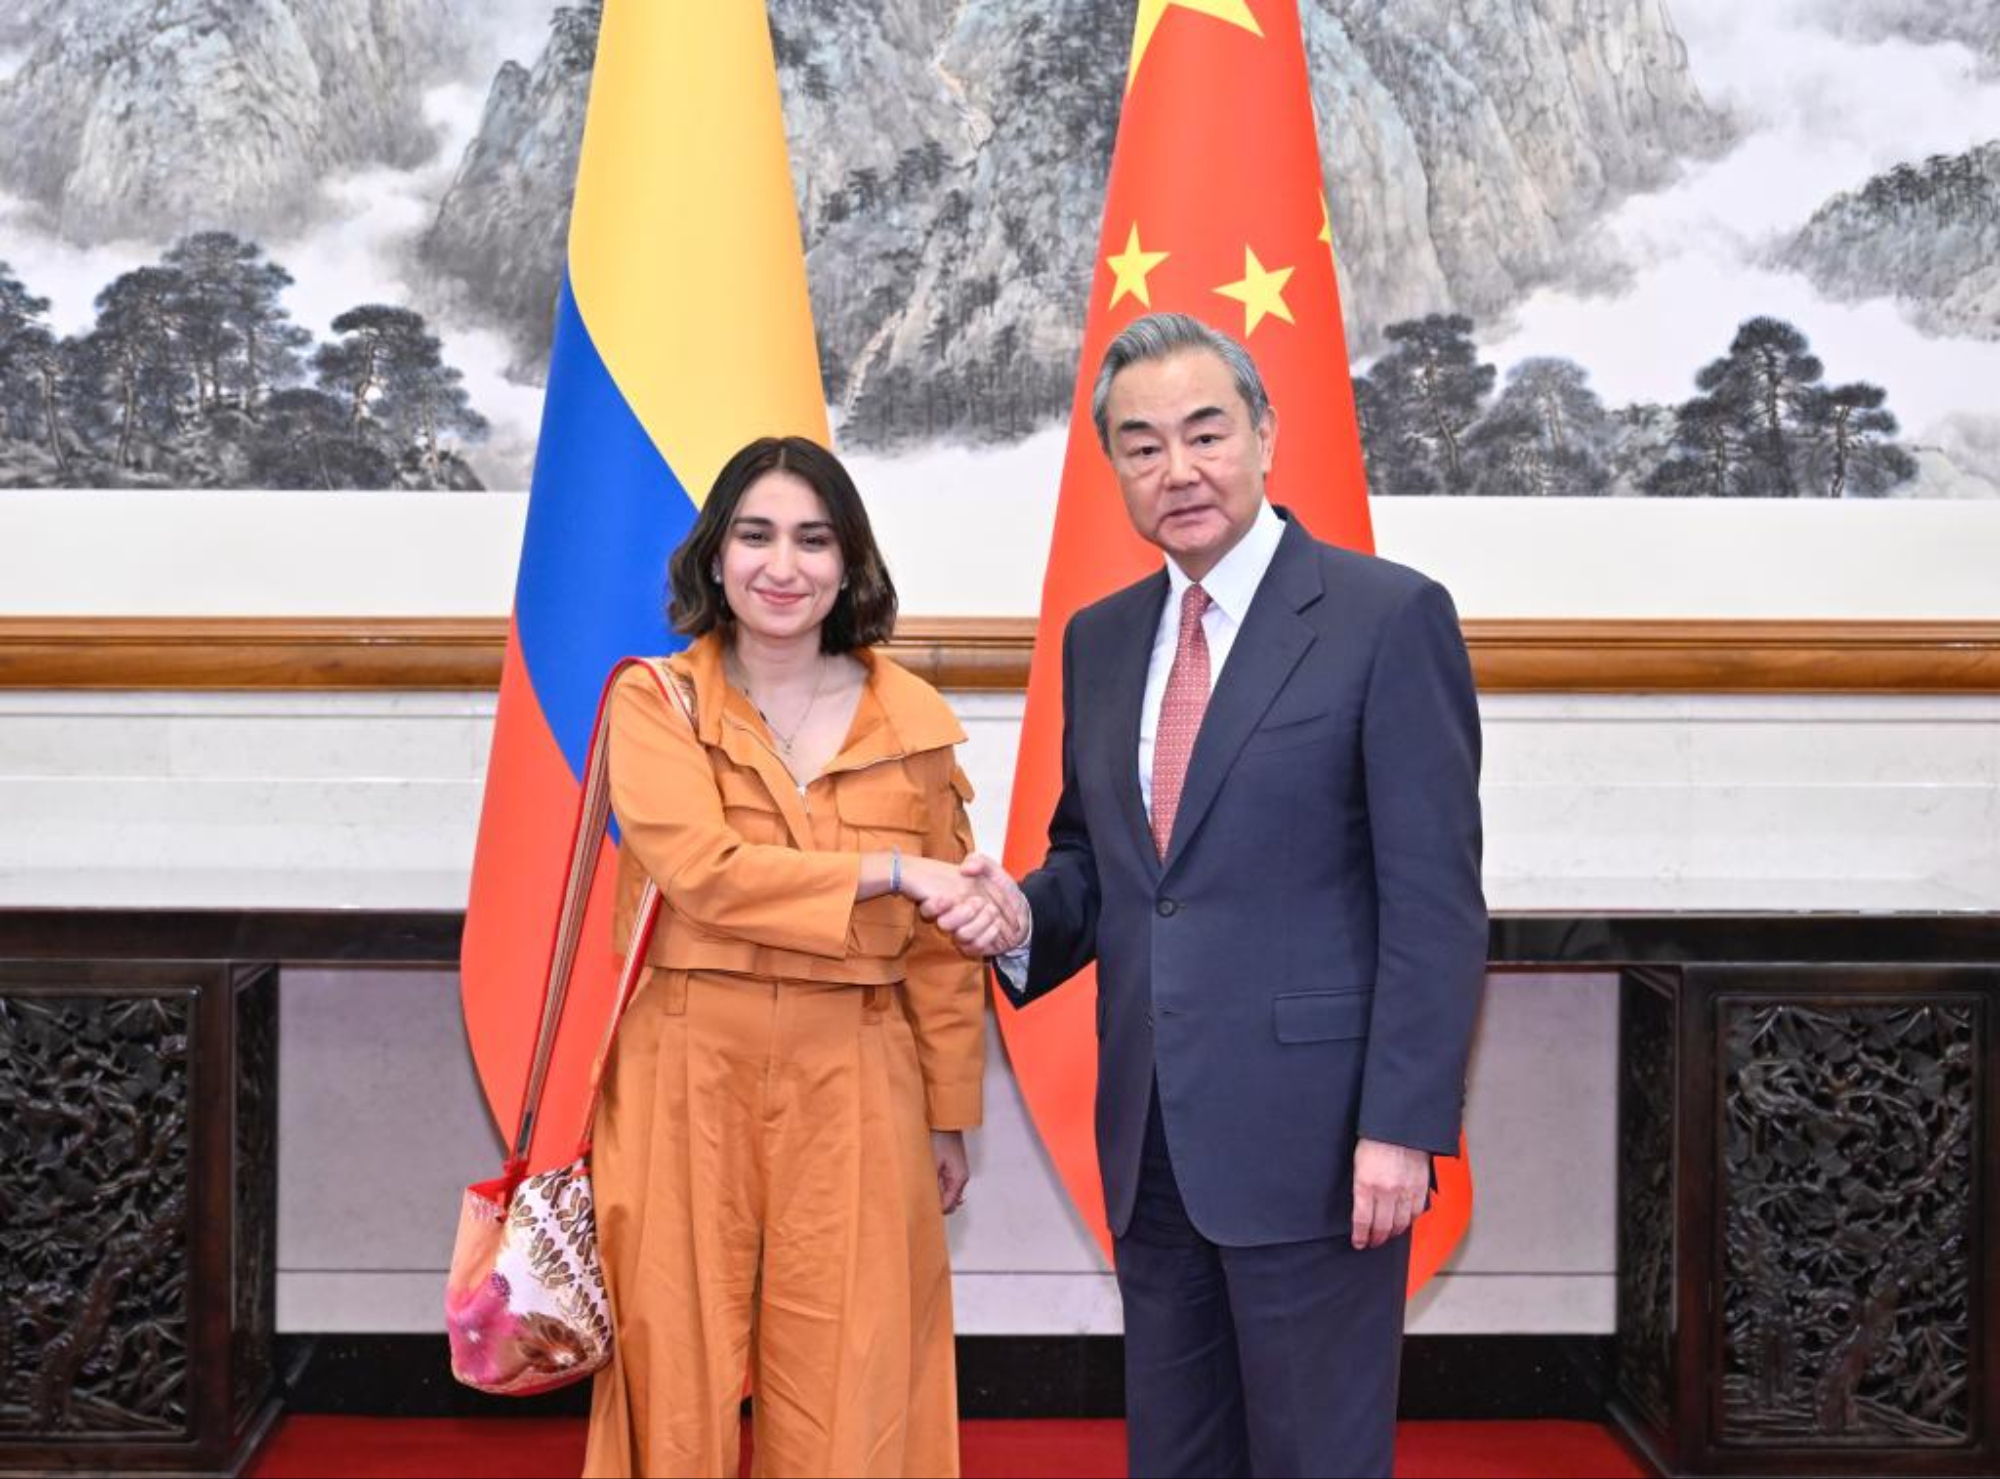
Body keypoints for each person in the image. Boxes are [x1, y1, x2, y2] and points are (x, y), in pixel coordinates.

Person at [932, 312, 1487, 1478]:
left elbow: (1432, 901)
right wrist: (1023, 915)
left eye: (1203, 433)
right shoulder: (1100, 638)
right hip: (1150, 1140)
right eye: (1140, 447)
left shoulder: (1385, 618)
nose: (1175, 471)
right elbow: (1101, 866)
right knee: (1176, 1457)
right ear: (1114, 473)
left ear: (1265, 434)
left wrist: (1400, 1126)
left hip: (1322, 1143)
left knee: (1313, 1458)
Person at [583, 435, 1011, 1478]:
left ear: (848, 562)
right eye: (756, 534)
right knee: (670, 1368)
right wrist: (891, 871)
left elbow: (942, 953)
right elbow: (707, 872)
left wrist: (947, 1112)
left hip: (858, 1068)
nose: (783, 566)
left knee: (852, 1371)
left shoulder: (912, 722)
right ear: (715, 555)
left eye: (813, 540)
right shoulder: (653, 701)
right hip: (684, 1060)